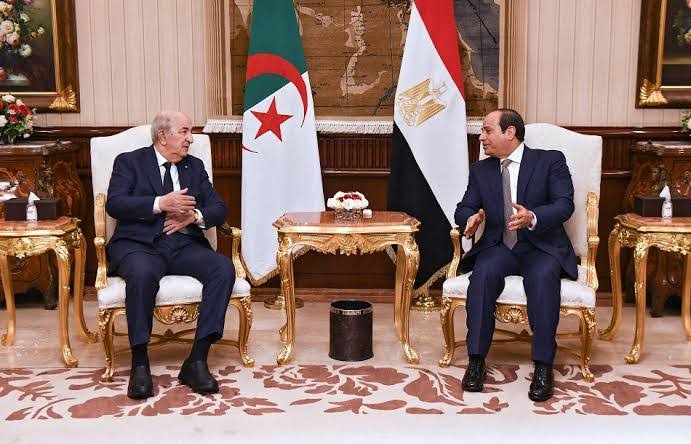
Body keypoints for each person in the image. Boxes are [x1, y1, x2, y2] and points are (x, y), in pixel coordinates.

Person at [106, 110, 235, 399]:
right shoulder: (130, 162)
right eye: (185, 131)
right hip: (139, 244)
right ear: (162, 136)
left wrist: (194, 216)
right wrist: (160, 203)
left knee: (223, 268)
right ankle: (140, 363)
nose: (191, 139)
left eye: (191, 132)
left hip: (183, 244)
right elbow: (115, 204)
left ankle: (197, 360)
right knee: (141, 274)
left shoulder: (194, 166)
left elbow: (219, 208)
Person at [454, 109, 577, 402]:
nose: (481, 137)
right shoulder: (481, 170)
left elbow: (564, 205)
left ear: (510, 133)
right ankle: (476, 360)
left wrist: (533, 216)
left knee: (543, 278)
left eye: (487, 130)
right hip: (501, 246)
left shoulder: (550, 161)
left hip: (541, 246)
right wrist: (470, 218)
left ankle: (543, 366)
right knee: (482, 275)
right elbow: (464, 206)